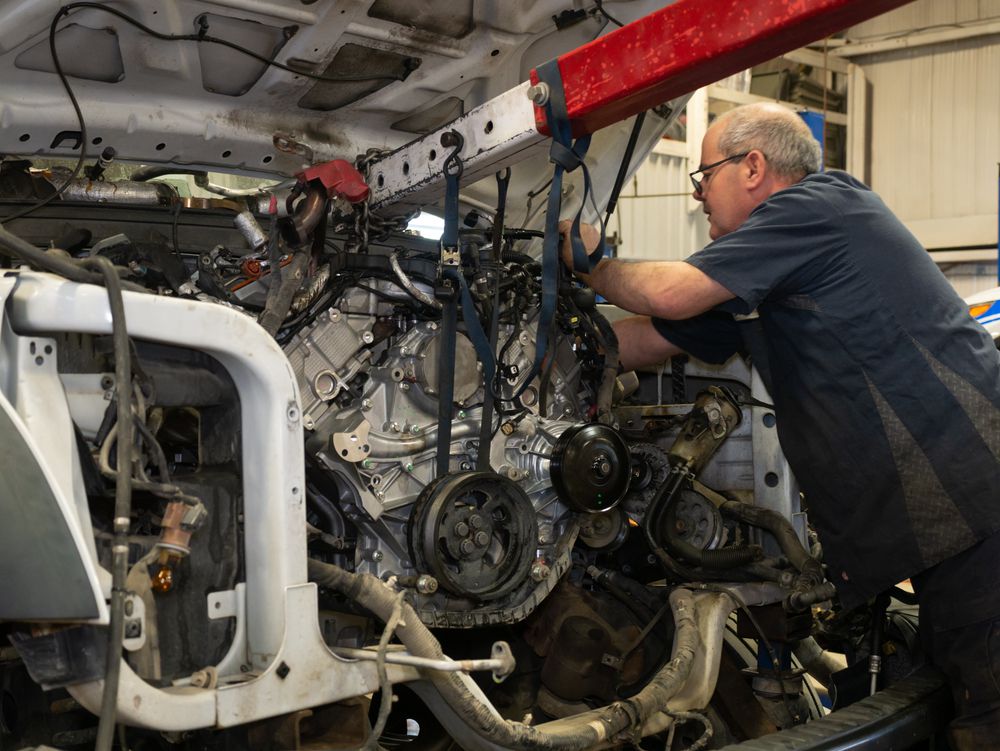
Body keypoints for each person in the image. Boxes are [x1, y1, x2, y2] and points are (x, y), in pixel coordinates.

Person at [560, 102, 1000, 748]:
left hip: (973, 516)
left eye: (702, 177)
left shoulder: (819, 206)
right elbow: (648, 338)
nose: (699, 196)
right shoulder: (761, 279)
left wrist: (592, 264)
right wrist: (551, 344)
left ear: (754, 167)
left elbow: (672, 293)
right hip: (945, 533)